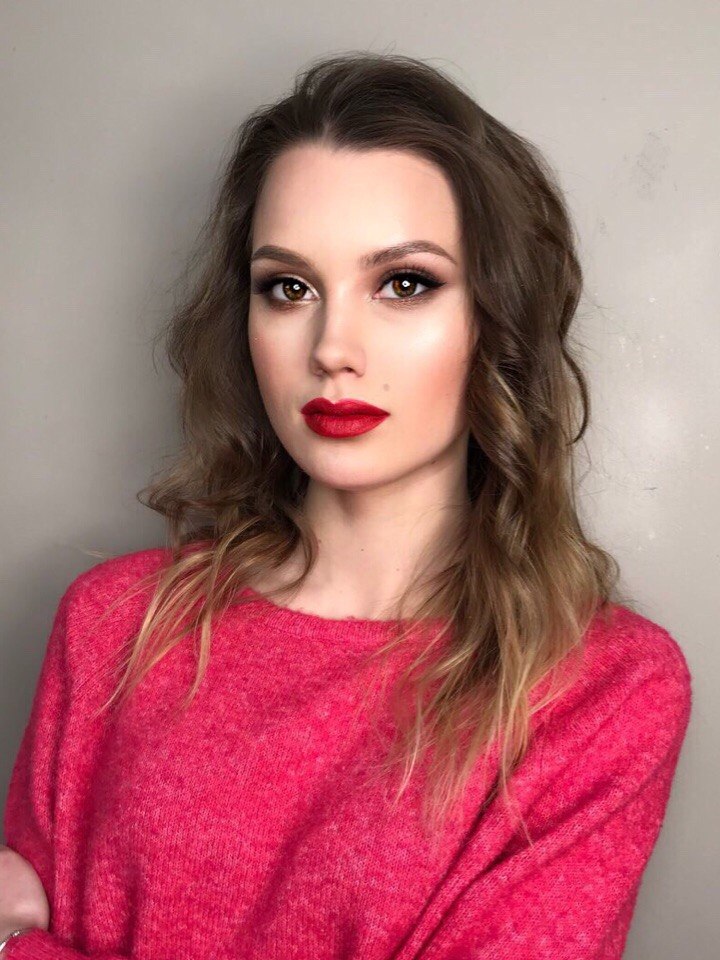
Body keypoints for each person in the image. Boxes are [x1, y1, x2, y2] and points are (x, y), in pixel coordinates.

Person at [1, 52, 692, 959]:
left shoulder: (600, 689)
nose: (332, 347)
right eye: (288, 288)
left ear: (496, 318)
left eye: (404, 283)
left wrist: (20, 947)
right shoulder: (113, 626)